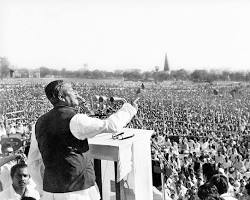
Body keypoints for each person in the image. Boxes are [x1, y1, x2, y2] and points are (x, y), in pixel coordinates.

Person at [27, 80, 139, 200]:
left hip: (50, 193)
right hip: (78, 192)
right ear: (61, 97)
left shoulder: (38, 124)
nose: (76, 93)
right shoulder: (75, 120)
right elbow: (111, 125)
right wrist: (129, 108)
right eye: (72, 90)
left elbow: (33, 162)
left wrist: (44, 188)